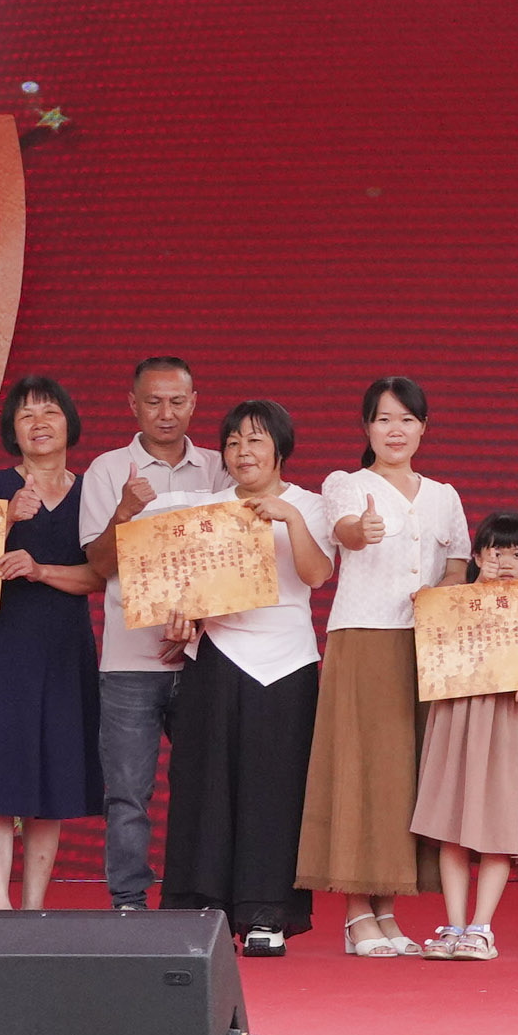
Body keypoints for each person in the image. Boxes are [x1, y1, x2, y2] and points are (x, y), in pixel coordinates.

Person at [167, 400, 335, 953]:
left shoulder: (309, 504)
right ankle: (204, 910)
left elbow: (317, 574)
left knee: (275, 788)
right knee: (207, 787)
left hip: (287, 662)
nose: (243, 452)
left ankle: (266, 914)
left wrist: (290, 519)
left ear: (280, 449)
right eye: (233, 442)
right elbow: (183, 588)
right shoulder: (206, 511)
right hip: (217, 655)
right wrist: (180, 616)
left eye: (255, 440)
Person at [311, 376, 467, 957]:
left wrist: (438, 600)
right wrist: (362, 529)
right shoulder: (346, 484)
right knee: (361, 770)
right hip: (364, 638)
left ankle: (388, 909)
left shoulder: (444, 495)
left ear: (424, 427)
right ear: (366, 428)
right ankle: (356, 912)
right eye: (383, 419)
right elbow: (345, 532)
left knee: (404, 775)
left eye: (406, 419)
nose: (395, 430)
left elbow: (458, 565)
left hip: (424, 646)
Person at [74, 357, 227, 912]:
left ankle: (199, 894)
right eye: (154, 401)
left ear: (194, 403)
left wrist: (195, 621)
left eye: (177, 401)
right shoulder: (108, 469)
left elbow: (235, 560)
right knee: (128, 792)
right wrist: (124, 512)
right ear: (132, 405)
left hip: (207, 654)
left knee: (207, 786)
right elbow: (98, 565)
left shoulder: (219, 467)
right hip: (129, 659)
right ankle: (128, 899)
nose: (167, 413)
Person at [0, 376, 104, 914]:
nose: (39, 424)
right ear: (12, 431)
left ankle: (34, 906)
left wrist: (40, 570)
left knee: (51, 783)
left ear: (69, 423)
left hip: (63, 651)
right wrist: (4, 521)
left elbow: (99, 577)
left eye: (50, 412)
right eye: (26, 415)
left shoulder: (92, 492)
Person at [413, 513, 518, 957]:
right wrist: (473, 590)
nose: (506, 562)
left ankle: (481, 929)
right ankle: (454, 926)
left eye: (517, 553)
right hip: (455, 715)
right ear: (476, 557)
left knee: (497, 822)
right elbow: (435, 636)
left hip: (503, 720)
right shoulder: (455, 600)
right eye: (495, 552)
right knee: (452, 824)